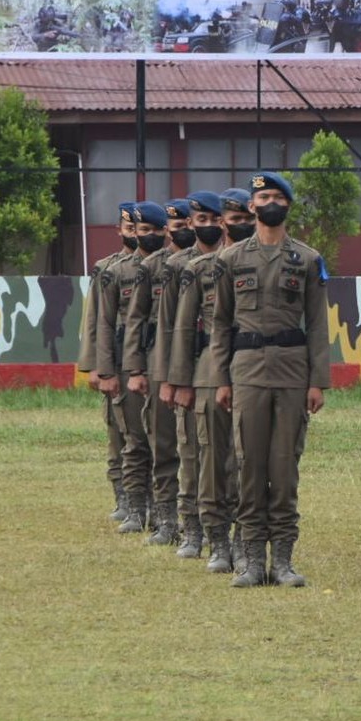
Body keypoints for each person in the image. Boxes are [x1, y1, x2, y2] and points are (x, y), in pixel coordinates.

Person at [210, 172, 330, 588]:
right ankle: (250, 561)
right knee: (247, 466)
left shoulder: (308, 259)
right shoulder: (229, 260)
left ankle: (282, 561)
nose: (271, 202)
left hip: (294, 372)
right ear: (251, 206)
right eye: (264, 196)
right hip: (246, 372)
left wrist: (318, 381)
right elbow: (220, 323)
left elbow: (317, 324)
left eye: (279, 196)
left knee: (283, 468)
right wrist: (220, 379)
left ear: (289, 206)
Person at [168, 192, 240, 574]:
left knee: (245, 461)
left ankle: (245, 538)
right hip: (208, 370)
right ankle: (203, 533)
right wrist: (177, 380)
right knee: (201, 455)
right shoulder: (197, 268)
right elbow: (179, 329)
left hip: (253, 369)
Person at [122, 199, 189, 546]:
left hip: (202, 366)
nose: (182, 231)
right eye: (176, 226)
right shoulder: (152, 268)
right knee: (162, 444)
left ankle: (200, 523)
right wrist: (136, 369)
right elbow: (135, 321)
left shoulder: (216, 264)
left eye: (185, 224)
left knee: (200, 451)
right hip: (159, 365)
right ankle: (167, 521)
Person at [95, 203, 158, 535]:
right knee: (129, 438)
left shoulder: (171, 266)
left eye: (149, 229)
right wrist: (101, 369)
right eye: (136, 228)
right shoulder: (115, 271)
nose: (142, 235)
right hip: (124, 363)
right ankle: (133, 505)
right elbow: (100, 324)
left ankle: (162, 508)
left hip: (161, 362)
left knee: (163, 441)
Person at [149, 199, 206, 560]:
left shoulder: (225, 263)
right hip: (177, 367)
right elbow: (163, 327)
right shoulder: (171, 267)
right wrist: (164, 375)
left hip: (218, 367)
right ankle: (174, 521)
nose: (182, 228)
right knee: (174, 447)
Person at [77, 202, 136, 523]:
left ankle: (144, 499)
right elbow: (94, 320)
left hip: (146, 361)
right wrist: (96, 367)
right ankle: (122, 497)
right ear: (120, 231)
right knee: (117, 434)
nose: (134, 234)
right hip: (114, 360)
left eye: (137, 229)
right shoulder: (106, 268)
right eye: (128, 229)